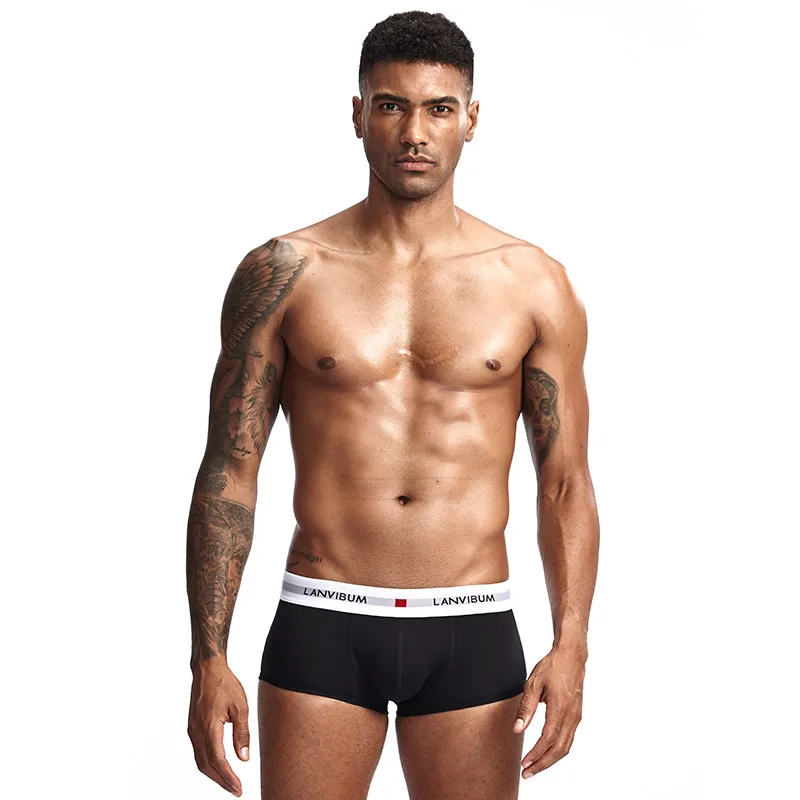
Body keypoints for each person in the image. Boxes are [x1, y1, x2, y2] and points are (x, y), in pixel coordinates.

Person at [185, 10, 599, 799]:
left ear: (471, 119)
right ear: (357, 115)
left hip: (471, 620)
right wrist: (209, 658)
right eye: (390, 105)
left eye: (439, 108)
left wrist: (571, 641)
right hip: (323, 619)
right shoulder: (285, 272)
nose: (414, 132)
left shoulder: (532, 283)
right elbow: (229, 470)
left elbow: (565, 482)